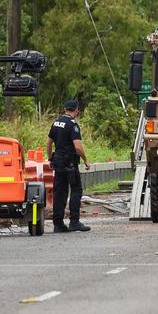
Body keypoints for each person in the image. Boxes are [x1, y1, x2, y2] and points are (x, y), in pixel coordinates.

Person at [46, 100, 91, 233]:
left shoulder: (56, 123)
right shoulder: (73, 125)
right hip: (70, 162)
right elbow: (77, 146)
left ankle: (58, 224)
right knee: (76, 190)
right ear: (76, 110)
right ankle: (74, 222)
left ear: (65, 108)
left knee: (59, 193)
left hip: (58, 162)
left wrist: (50, 158)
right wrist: (86, 160)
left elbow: (48, 143)